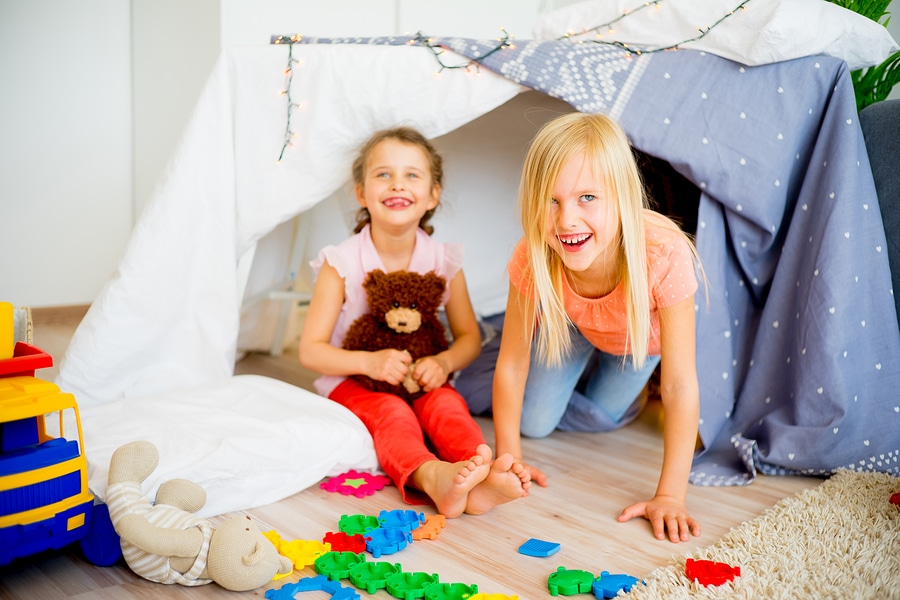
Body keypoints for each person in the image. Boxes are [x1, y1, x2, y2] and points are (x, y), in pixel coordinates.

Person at [298, 126, 531, 518]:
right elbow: (311, 351)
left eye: (412, 175)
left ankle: (479, 473)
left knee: (448, 405)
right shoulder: (340, 262)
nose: (397, 184)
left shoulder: (444, 261)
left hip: (421, 377)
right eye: (383, 174)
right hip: (355, 382)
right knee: (393, 413)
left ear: (432, 195)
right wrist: (368, 363)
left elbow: (469, 338)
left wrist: (443, 363)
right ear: (361, 193)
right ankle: (432, 477)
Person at [491, 112, 703, 542]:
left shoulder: (663, 253)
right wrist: (508, 457)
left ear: (623, 197)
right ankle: (572, 373)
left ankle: (624, 391)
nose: (567, 220)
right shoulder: (534, 252)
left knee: (605, 417)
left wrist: (671, 496)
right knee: (533, 424)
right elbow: (511, 363)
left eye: (587, 197)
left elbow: (681, 386)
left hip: (639, 344)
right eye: (551, 201)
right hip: (575, 328)